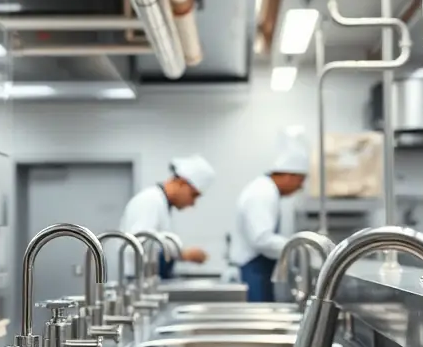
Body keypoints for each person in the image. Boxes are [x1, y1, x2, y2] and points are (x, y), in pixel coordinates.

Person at [231, 129, 310, 302]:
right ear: (289, 175)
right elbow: (262, 239)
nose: (300, 187)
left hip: (258, 271)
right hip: (254, 272)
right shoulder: (263, 193)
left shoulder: (266, 190)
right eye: (300, 181)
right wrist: (299, 248)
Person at [120, 155, 215, 278]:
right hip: (139, 280)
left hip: (147, 278)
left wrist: (179, 253)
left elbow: (156, 242)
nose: (193, 203)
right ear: (181, 183)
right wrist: (183, 254)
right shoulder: (151, 200)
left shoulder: (161, 203)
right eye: (193, 195)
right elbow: (137, 244)